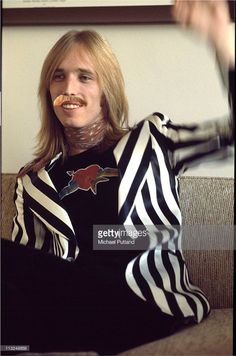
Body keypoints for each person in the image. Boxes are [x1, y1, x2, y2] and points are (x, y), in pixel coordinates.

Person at [1, 0, 234, 355]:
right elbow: (30, 269)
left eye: (85, 76)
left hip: (145, 306)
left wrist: (222, 40)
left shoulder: (154, 142)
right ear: (48, 92)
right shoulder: (32, 183)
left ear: (105, 89)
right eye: (58, 76)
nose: (70, 87)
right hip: (73, 313)